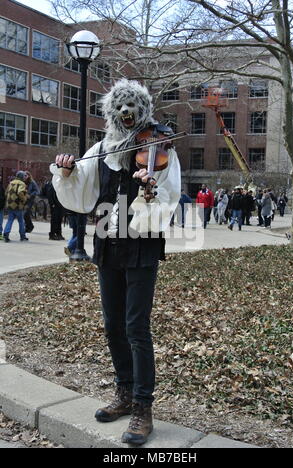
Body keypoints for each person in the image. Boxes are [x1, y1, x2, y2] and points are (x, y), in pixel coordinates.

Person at [50, 79, 181, 446]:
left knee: (136, 326)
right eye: (120, 108)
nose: (127, 114)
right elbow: (83, 192)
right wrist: (67, 171)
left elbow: (169, 198)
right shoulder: (103, 148)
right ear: (112, 112)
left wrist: (150, 189)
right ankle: (124, 394)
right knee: (112, 325)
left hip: (141, 245)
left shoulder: (159, 147)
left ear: (143, 111)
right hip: (108, 241)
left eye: (133, 108)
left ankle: (143, 406)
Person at [3, 171, 29, 242]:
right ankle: (22, 236)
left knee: (10, 220)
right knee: (21, 221)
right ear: (21, 177)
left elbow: (6, 192)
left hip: (10, 205)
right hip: (18, 205)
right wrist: (24, 199)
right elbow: (20, 192)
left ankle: (6, 234)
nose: (24, 177)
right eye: (24, 176)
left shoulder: (11, 183)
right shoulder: (22, 184)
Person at [0, 175, 5, 240]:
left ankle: (0, 234)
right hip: (1, 206)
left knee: (0, 221)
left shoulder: (1, 186)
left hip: (1, 206)